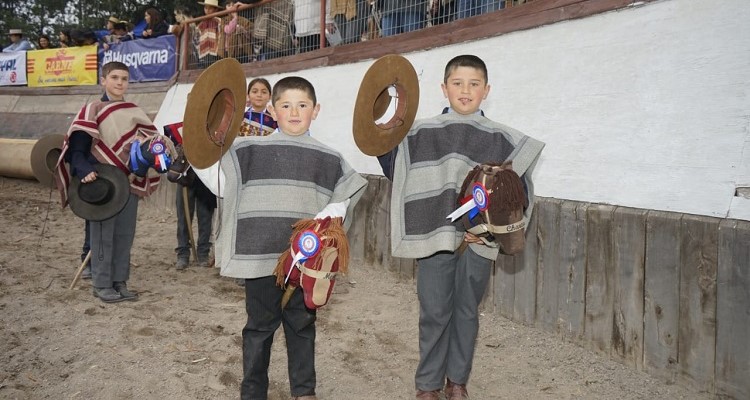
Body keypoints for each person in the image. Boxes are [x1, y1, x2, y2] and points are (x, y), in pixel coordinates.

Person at [379, 55, 543, 399]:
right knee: (435, 310)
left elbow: (518, 193)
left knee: (467, 310)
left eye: (473, 84)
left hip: (479, 242)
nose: (465, 90)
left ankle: (457, 382)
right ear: (443, 88)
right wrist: (379, 127)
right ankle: (428, 386)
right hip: (433, 235)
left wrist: (488, 229)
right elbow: (399, 170)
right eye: (457, 83)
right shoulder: (420, 133)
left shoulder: (502, 138)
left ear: (486, 90)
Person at [210, 76, 367, 399]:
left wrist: (336, 209)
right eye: (285, 105)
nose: (294, 112)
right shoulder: (247, 150)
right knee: (258, 328)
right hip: (260, 257)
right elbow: (214, 170)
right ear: (271, 110)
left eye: (302, 105)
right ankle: (252, 391)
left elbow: (346, 193)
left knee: (301, 325)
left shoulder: (330, 157)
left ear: (316, 110)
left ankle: (304, 392)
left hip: (306, 264)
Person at [55, 61, 162, 303]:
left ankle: (120, 282)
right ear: (103, 80)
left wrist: (151, 158)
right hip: (102, 185)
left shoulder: (134, 111)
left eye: (124, 78)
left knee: (125, 234)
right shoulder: (92, 109)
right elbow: (77, 150)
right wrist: (83, 171)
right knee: (103, 236)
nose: (119, 82)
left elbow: (147, 145)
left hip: (129, 182)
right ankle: (101, 284)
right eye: (114, 77)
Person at [174, 175, 216, 270]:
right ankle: (183, 254)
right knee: (183, 217)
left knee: (206, 216)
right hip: (185, 172)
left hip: (206, 174)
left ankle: (203, 253)